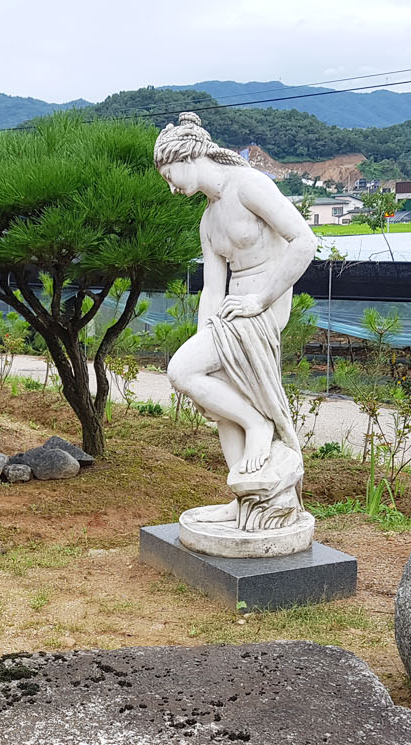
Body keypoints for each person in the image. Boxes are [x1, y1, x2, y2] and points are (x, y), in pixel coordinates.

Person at [154, 113, 318, 531]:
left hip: (262, 306)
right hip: (230, 310)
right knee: (217, 393)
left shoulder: (249, 185)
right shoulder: (208, 219)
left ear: (188, 156)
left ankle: (258, 424)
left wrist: (260, 299)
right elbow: (212, 289)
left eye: (170, 175)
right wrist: (204, 334)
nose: (171, 187)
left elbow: (304, 241)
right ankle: (243, 496)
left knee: (180, 370)